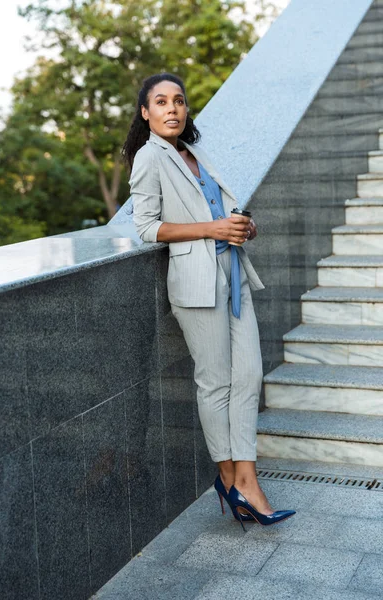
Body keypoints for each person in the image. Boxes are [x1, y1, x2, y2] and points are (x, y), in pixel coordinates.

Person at [122, 72, 295, 530]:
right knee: (216, 382)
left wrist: (242, 227)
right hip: (197, 281)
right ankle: (234, 480)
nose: (172, 108)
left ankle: (246, 479)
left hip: (233, 270)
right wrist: (211, 230)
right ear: (146, 113)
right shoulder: (148, 157)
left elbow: (219, 211)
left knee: (250, 374)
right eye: (161, 102)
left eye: (179, 100)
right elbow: (145, 227)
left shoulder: (194, 152)